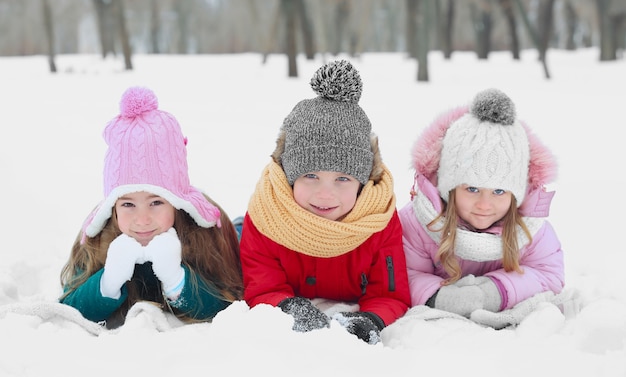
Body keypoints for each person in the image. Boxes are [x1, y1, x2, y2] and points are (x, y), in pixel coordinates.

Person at [239, 60, 411, 345]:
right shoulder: (266, 217)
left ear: (363, 182)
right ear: (289, 176)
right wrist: (288, 307)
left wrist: (370, 319)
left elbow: (389, 294)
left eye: (342, 179)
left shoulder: (379, 221)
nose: (325, 194)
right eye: (310, 176)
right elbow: (262, 287)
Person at [59, 86, 243, 329]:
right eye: (128, 204)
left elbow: (229, 301)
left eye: (156, 202)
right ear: (113, 206)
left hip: (235, 231)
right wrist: (107, 282)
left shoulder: (204, 230)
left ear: (176, 203)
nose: (142, 219)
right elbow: (68, 308)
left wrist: (178, 281)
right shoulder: (98, 236)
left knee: (243, 232)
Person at [399, 88, 564, 320]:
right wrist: (442, 297)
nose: (485, 205)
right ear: (450, 188)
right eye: (472, 189)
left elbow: (548, 273)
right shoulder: (419, 222)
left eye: (498, 191)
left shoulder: (529, 228)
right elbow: (404, 273)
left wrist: (494, 292)